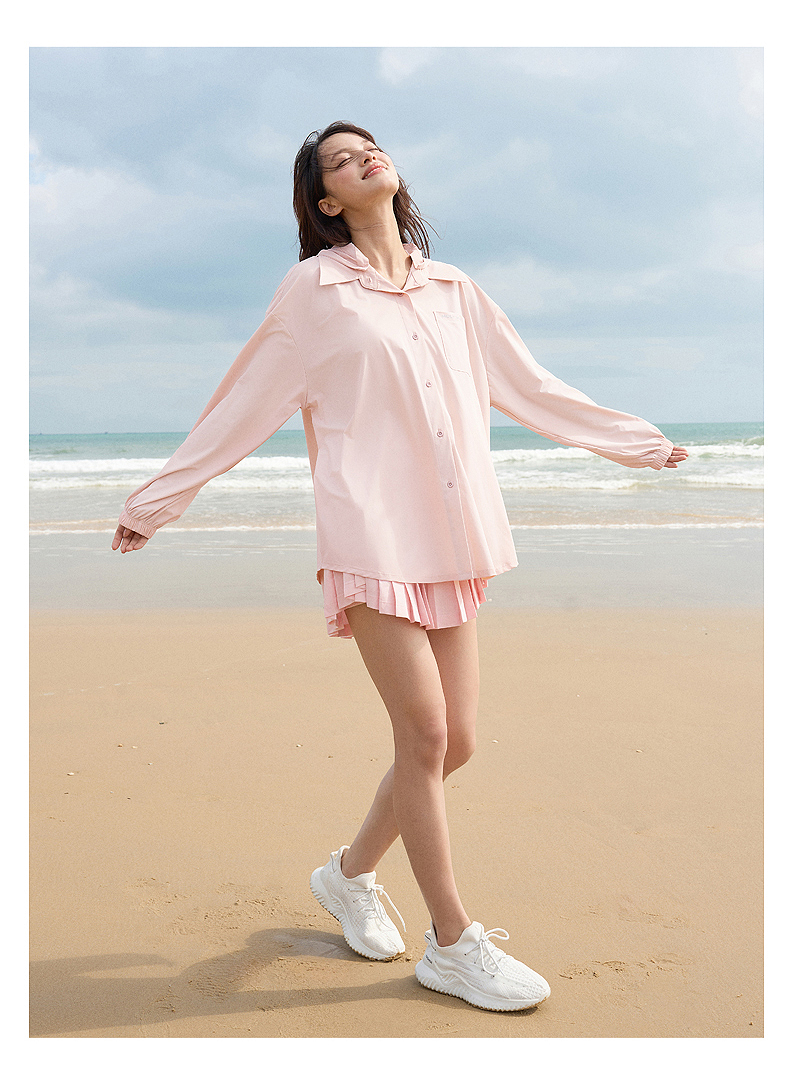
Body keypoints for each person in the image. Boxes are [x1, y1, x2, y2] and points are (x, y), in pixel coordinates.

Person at [112, 120, 689, 1013]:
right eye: (340, 160)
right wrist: (159, 499)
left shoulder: (454, 288)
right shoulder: (313, 292)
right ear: (325, 200)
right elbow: (242, 404)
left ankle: (347, 876)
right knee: (422, 736)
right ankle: (452, 943)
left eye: (369, 147)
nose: (363, 158)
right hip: (370, 532)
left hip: (451, 535)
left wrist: (633, 442)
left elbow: (529, 385)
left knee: (458, 742)